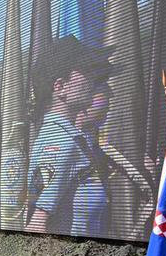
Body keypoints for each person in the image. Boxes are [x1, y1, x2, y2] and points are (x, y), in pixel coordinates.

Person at [26, 35, 111, 235]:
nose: (92, 80)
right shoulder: (62, 140)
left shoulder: (65, 134)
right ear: (60, 87)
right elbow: (38, 222)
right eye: (84, 72)